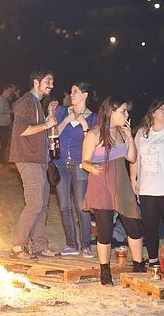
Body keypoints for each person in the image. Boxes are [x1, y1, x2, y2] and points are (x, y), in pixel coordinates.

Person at [82, 96, 144, 286]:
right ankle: (105, 270)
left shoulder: (123, 133)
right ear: (111, 111)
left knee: (134, 226)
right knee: (105, 231)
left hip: (121, 184)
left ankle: (138, 265)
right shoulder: (93, 134)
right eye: (123, 111)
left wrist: (130, 138)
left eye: (126, 111)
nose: (126, 114)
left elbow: (132, 158)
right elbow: (84, 162)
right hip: (101, 185)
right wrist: (92, 168)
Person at [8, 69, 59, 259]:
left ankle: (39, 246)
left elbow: (39, 128)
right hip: (27, 159)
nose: (51, 85)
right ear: (36, 82)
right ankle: (17, 247)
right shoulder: (24, 102)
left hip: (40, 159)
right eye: (48, 81)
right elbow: (22, 130)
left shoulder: (37, 103)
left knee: (43, 205)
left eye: (52, 82)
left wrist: (50, 114)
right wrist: (47, 124)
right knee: (34, 204)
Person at [53, 82, 99, 257]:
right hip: (61, 164)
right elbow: (53, 133)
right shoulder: (62, 112)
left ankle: (86, 245)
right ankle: (71, 244)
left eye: (75, 91)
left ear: (85, 94)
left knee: (82, 207)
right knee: (64, 206)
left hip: (81, 165)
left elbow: (94, 142)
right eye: (71, 91)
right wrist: (66, 120)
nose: (71, 94)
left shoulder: (93, 118)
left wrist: (83, 124)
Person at [130, 98, 164, 270]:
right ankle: (153, 260)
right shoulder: (142, 133)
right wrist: (133, 180)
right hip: (147, 188)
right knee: (150, 226)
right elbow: (134, 159)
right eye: (162, 109)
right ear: (153, 113)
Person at [0, 84, 15, 163]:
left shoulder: (5, 99)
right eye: (9, 91)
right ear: (5, 90)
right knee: (2, 142)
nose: (10, 93)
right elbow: (0, 112)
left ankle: (0, 158)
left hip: (5, 124)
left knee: (4, 142)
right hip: (2, 124)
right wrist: (11, 111)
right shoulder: (1, 99)